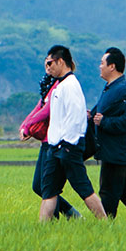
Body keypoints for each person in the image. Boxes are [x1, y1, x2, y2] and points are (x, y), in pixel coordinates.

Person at [38, 45, 108, 222]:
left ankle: (105, 223)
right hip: (55, 148)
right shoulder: (60, 86)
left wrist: (68, 144)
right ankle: (40, 229)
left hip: (68, 147)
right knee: (48, 191)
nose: (48, 68)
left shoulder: (71, 85)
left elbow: (77, 118)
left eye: (50, 63)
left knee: (84, 189)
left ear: (61, 61)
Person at [91, 47, 126, 218]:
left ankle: (105, 223)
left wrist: (104, 122)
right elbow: (102, 112)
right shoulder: (110, 89)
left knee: (108, 190)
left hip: (118, 151)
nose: (99, 66)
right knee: (124, 189)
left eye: (102, 63)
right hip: (111, 150)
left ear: (112, 66)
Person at [20, 70, 80, 219]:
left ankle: (66, 217)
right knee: (40, 186)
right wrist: (24, 125)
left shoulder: (62, 85)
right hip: (46, 142)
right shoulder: (50, 85)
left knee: (47, 187)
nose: (48, 67)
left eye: (50, 63)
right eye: (46, 63)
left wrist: (29, 126)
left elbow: (47, 110)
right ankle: (69, 215)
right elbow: (39, 107)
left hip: (55, 141)